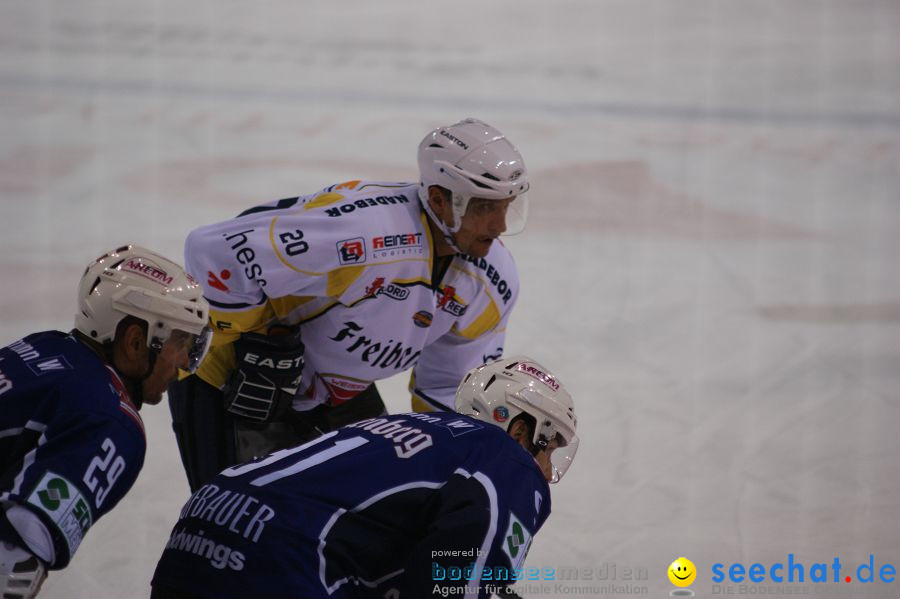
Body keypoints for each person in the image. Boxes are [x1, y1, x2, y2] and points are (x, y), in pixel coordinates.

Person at [169, 117, 532, 491]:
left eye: (506, 207)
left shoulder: (493, 280)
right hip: (233, 385)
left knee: (376, 523)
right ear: (440, 199)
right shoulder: (365, 232)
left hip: (338, 391)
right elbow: (214, 250)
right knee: (235, 526)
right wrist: (258, 340)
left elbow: (445, 387)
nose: (500, 225)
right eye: (484, 208)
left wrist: (458, 468)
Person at [151, 355, 578, 599]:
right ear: (521, 430)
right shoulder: (503, 455)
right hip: (284, 555)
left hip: (204, 527)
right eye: (550, 447)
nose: (546, 471)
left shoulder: (408, 432)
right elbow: (454, 582)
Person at [0, 245, 211, 599]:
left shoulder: (45, 346)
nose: (184, 362)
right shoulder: (110, 421)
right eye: (180, 342)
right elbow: (15, 557)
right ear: (134, 342)